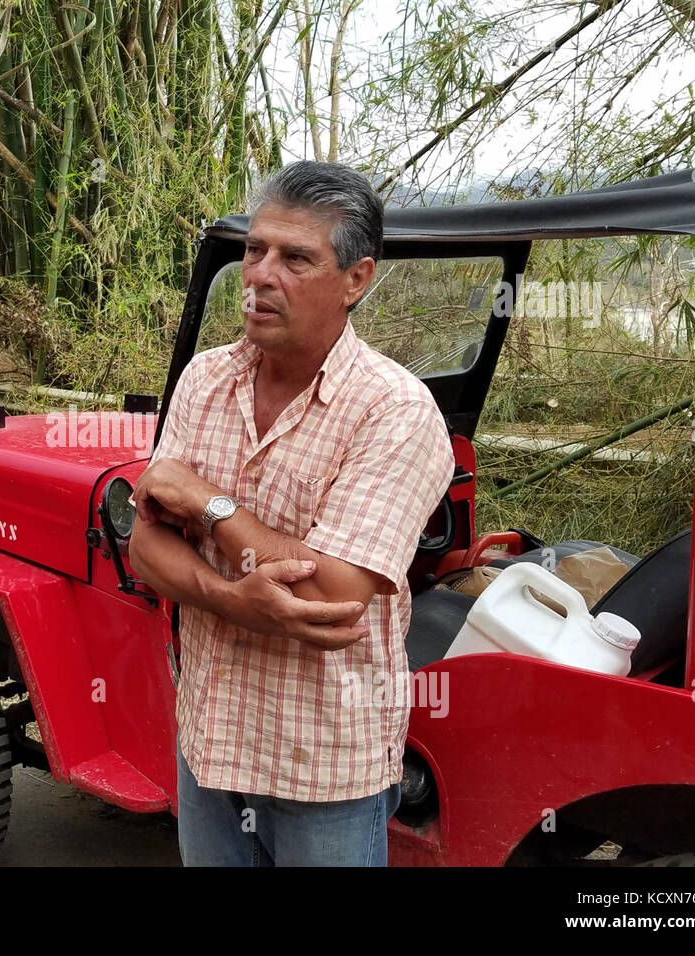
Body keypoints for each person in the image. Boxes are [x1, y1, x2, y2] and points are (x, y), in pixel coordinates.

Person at [129, 161, 454, 867]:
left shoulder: (393, 413)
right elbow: (144, 547)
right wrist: (227, 595)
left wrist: (209, 506)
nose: (260, 275)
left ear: (356, 280)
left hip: (324, 769)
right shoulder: (205, 379)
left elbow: (329, 598)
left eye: (295, 258)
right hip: (208, 744)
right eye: (254, 250)